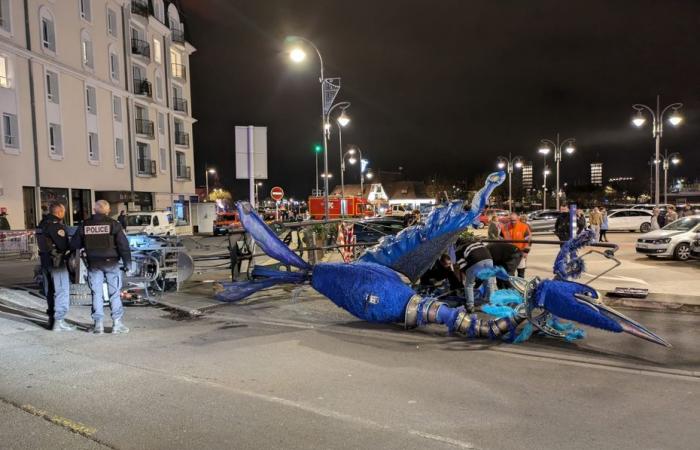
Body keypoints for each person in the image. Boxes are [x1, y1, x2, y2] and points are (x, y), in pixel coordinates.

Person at [71, 200, 132, 334]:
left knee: (96, 293)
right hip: (111, 263)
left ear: (94, 210)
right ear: (108, 210)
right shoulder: (114, 224)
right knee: (114, 293)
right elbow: (123, 246)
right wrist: (128, 263)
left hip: (94, 264)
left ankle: (98, 325)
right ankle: (117, 324)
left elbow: (74, 243)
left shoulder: (85, 224)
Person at [37, 203, 75, 331]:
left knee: (49, 291)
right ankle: (59, 321)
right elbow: (63, 245)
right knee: (62, 290)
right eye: (63, 212)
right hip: (57, 262)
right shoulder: (56, 225)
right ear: (59, 212)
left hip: (45, 261)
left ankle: (52, 319)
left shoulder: (41, 224)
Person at [455, 238, 497, 313]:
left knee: (469, 285)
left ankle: (470, 306)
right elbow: (486, 251)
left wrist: (467, 276)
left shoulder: (459, 249)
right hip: (489, 259)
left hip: (475, 261)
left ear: (458, 245)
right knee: (489, 282)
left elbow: (462, 265)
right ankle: (492, 304)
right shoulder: (477, 243)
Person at [500, 212, 531, 278]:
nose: (513, 222)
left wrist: (526, 252)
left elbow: (528, 241)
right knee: (510, 274)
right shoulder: (504, 228)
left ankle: (520, 287)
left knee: (521, 273)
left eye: (514, 220)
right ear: (509, 220)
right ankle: (511, 287)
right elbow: (501, 241)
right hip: (509, 254)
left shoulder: (524, 226)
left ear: (518, 219)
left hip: (520, 253)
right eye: (511, 220)